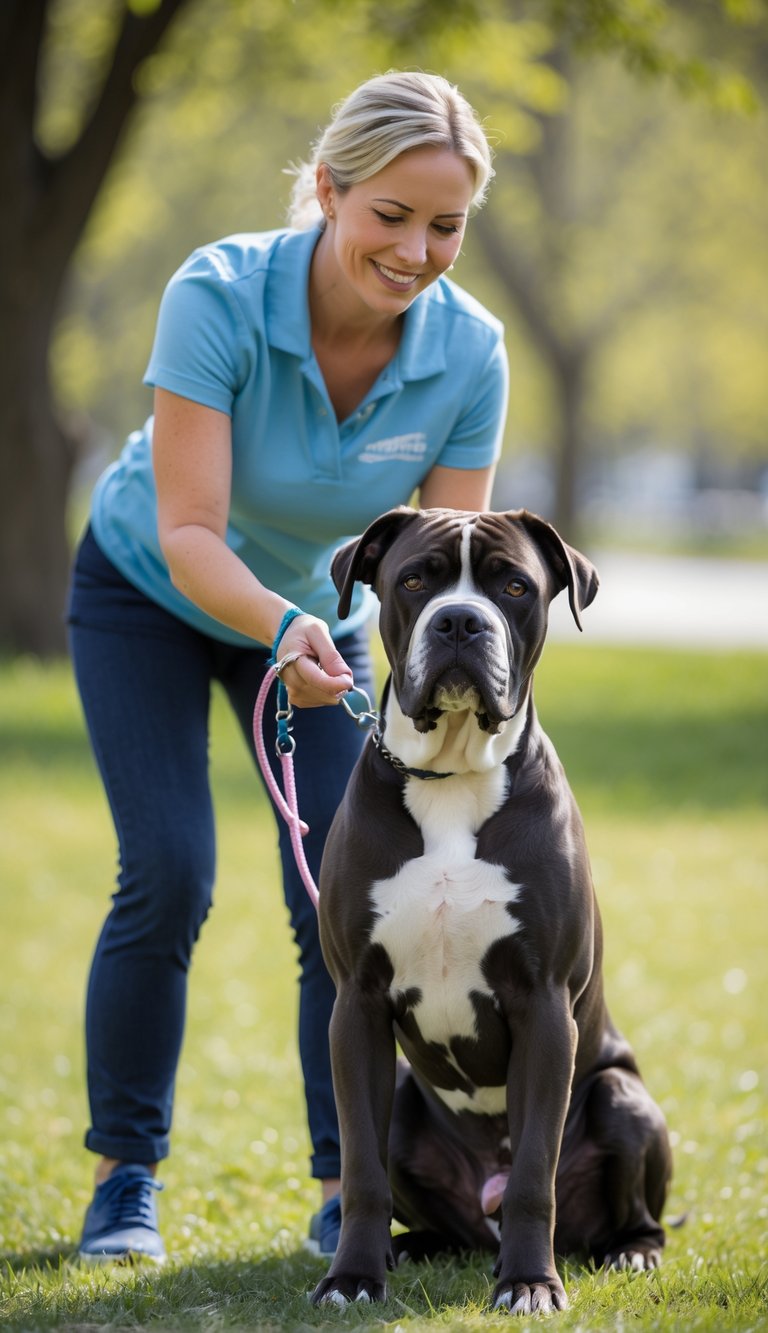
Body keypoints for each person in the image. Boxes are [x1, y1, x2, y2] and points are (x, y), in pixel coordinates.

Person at [68, 69, 508, 1264]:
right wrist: (285, 628)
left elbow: (448, 562)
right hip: (149, 596)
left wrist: (362, 648)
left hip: (324, 632)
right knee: (166, 870)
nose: (419, 251)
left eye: (447, 225)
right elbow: (192, 531)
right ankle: (125, 1177)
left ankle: (345, 1185)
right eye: (390, 216)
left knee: (342, 898)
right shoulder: (215, 293)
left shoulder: (471, 353)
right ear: (326, 189)